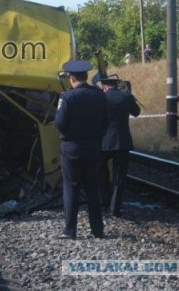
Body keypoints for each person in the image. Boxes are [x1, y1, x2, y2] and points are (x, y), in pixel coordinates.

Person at [54, 60, 108, 240]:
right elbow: (105, 122)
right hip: (93, 147)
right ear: (86, 77)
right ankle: (97, 230)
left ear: (71, 78)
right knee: (93, 188)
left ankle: (70, 230)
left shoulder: (67, 97)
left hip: (71, 148)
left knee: (71, 188)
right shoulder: (100, 95)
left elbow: (59, 123)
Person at [100, 77, 141, 217]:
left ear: (104, 87)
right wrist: (130, 97)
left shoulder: (100, 98)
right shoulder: (126, 97)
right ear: (116, 86)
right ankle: (115, 209)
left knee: (101, 172)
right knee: (120, 177)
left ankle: (104, 200)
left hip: (103, 142)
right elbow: (136, 112)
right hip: (121, 142)